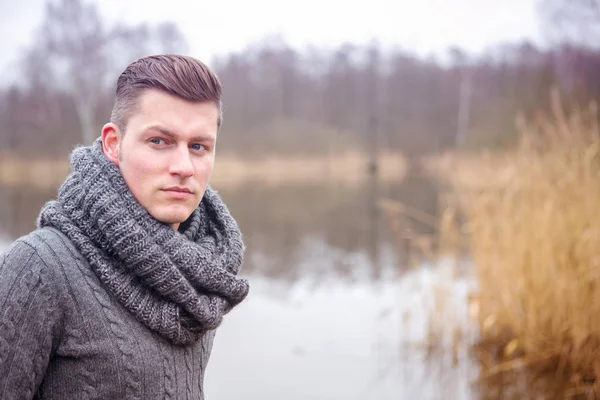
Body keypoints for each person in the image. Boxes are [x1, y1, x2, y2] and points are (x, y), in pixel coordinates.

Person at [0, 54, 250, 399]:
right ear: (113, 144)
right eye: (159, 141)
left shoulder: (202, 272)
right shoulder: (40, 267)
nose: (183, 166)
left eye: (198, 146)